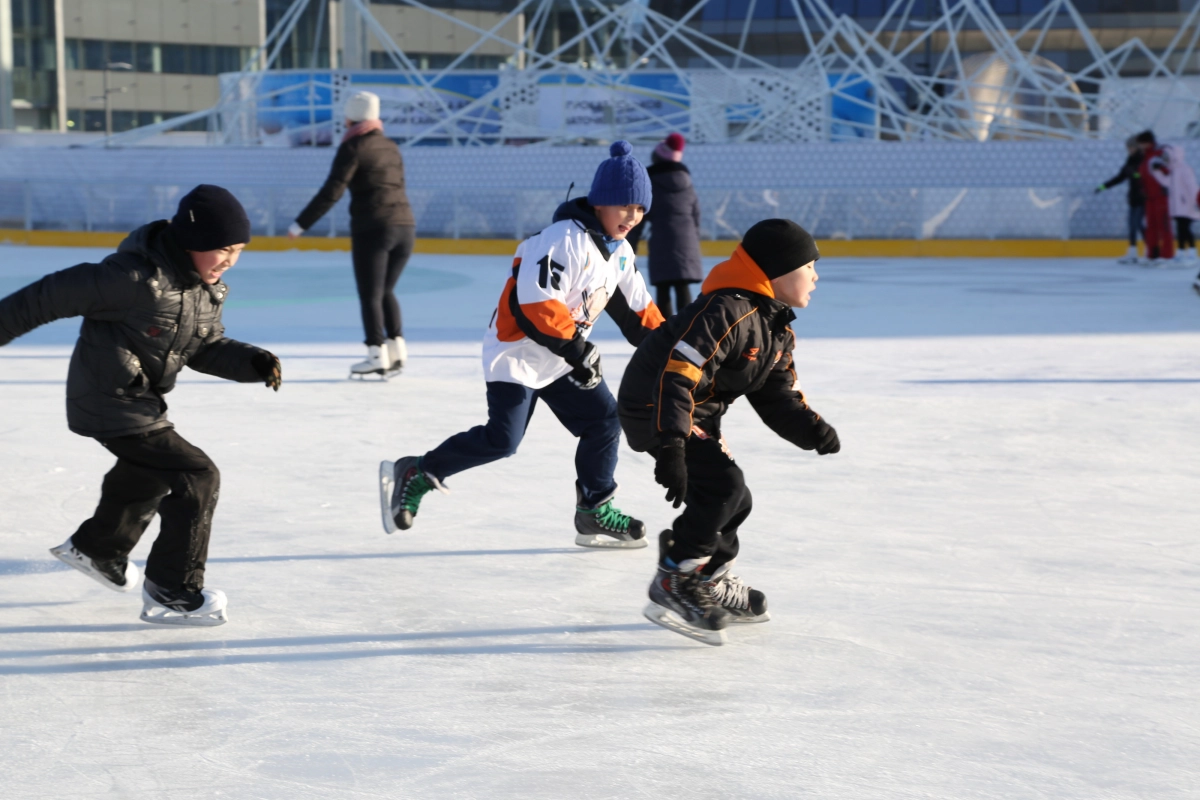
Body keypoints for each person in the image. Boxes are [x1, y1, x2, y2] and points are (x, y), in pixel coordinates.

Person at [0, 185, 282, 627]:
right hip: (109, 401)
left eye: (238, 250)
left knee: (149, 472)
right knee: (195, 475)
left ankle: (98, 548)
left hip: (140, 403)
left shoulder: (200, 290)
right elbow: (45, 296)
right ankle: (171, 590)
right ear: (192, 241)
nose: (229, 260)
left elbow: (203, 347)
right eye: (222, 248)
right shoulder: (131, 278)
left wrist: (252, 362)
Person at [380, 141, 665, 548]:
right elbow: (536, 305)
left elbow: (640, 312)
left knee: (605, 420)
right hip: (517, 351)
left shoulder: (619, 252)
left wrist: (675, 349)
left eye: (640, 210)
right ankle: (419, 471)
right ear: (601, 201)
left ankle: (593, 510)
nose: (632, 217)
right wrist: (578, 351)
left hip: (562, 356)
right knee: (503, 441)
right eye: (624, 206)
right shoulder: (562, 239)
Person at [617, 219, 840, 646]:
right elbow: (677, 374)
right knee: (722, 484)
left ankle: (709, 578)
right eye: (809, 265)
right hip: (655, 405)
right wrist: (671, 446)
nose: (815, 276)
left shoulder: (775, 328)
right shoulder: (725, 311)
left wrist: (813, 429)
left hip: (695, 414)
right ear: (778, 269)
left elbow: (777, 396)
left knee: (737, 499)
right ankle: (676, 577)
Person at [289, 90, 416, 379]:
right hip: (406, 227)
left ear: (352, 116)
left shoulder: (354, 147)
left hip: (374, 228)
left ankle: (375, 354)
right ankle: (397, 349)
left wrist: (300, 224)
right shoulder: (390, 147)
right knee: (386, 291)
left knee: (370, 294)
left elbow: (331, 191)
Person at [625, 133, 704, 317]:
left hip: (662, 240)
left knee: (663, 289)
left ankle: (665, 333)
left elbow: (639, 216)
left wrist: (630, 247)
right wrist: (693, 239)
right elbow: (696, 214)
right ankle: (686, 330)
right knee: (682, 287)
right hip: (687, 241)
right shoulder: (687, 181)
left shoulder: (650, 182)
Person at [1095, 136, 1145, 264]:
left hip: (1143, 197)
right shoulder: (1130, 160)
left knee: (1138, 224)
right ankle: (1132, 253)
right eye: (1128, 148)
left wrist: (1133, 173)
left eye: (1130, 147)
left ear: (1136, 147)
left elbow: (1142, 176)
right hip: (1133, 197)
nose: (1129, 150)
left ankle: (1148, 251)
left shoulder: (1142, 159)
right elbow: (1120, 177)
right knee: (1132, 226)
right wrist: (1103, 186)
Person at [1156, 143, 1200, 262]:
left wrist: (1197, 200)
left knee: (1185, 229)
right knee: (1181, 229)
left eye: (1167, 156)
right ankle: (1181, 252)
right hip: (1177, 207)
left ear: (1174, 156)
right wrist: (1157, 172)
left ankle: (1192, 252)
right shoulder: (1173, 171)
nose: (1165, 159)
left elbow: (1192, 186)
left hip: (1187, 205)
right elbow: (1166, 183)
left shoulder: (1184, 169)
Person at [1137, 131, 1175, 263]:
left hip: (1160, 195)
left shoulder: (1160, 152)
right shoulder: (1144, 156)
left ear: (1148, 142)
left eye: (1141, 143)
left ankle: (1166, 255)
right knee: (1151, 226)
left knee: (1163, 226)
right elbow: (1142, 175)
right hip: (1149, 197)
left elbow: (1169, 169)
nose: (1140, 146)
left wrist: (1161, 167)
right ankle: (1152, 254)